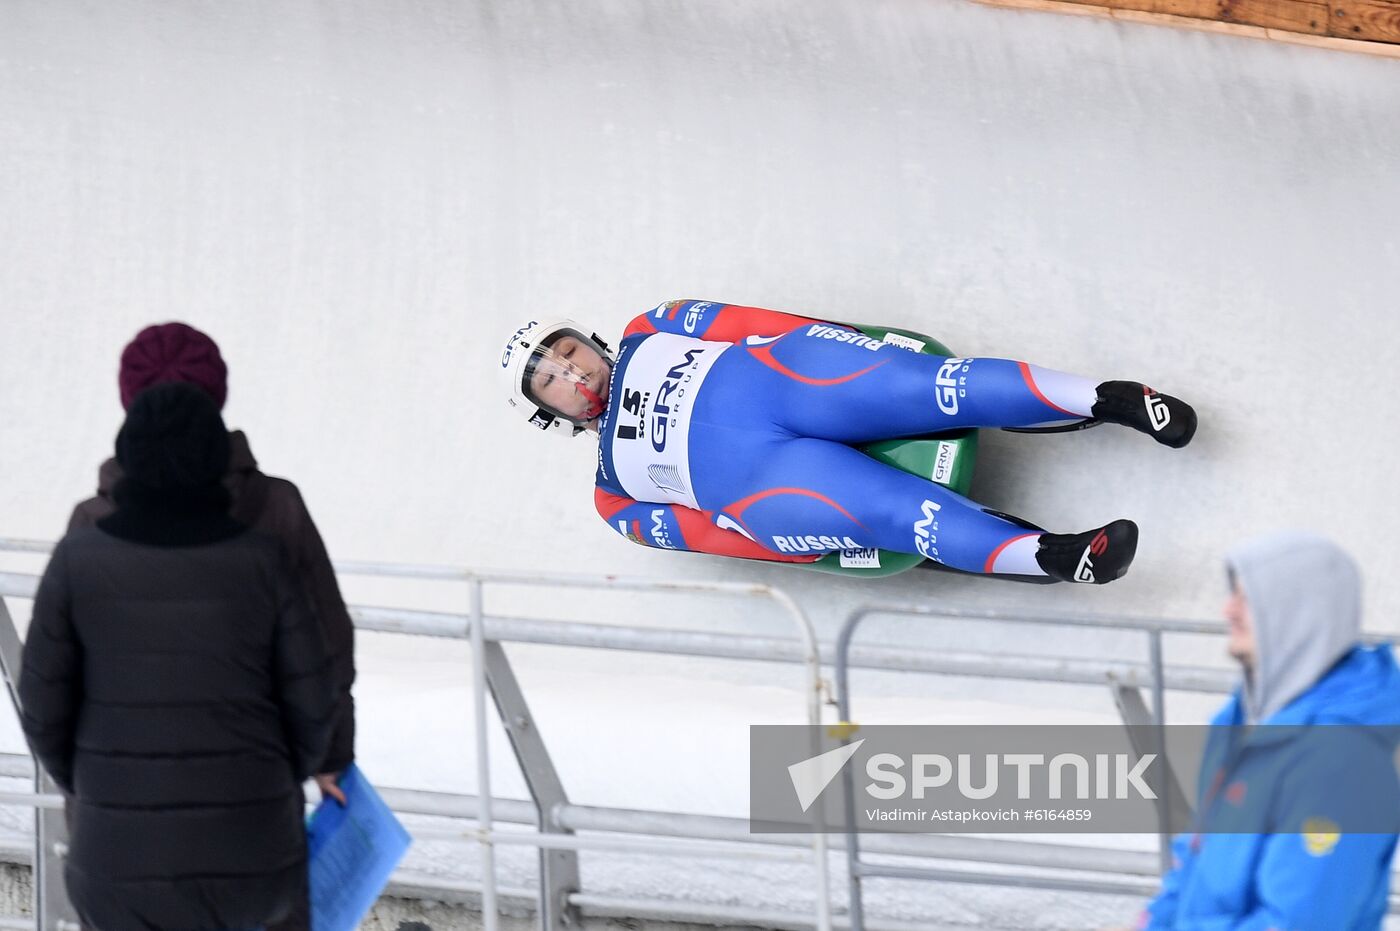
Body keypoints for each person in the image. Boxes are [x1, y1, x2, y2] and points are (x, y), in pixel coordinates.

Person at [501, 300, 1198, 583]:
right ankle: (1057, 556)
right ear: (549, 413)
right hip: (765, 480)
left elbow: (762, 322)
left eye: (565, 352)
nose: (570, 372)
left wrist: (864, 342)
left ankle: (1109, 398)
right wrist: (820, 551)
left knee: (929, 387)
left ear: (587, 338)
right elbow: (715, 538)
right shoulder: (612, 496)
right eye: (551, 382)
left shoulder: (653, 324)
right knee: (890, 512)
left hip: (785, 379)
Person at [67, 322, 356, 931]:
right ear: (217, 398)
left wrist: (87, 776)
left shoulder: (91, 525)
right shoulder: (276, 508)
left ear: (129, 405)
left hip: (117, 833)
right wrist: (323, 757)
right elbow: (326, 649)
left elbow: (50, 686)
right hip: (254, 820)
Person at [1126, 532, 1400, 930]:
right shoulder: (1238, 722)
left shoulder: (1341, 760)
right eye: (1231, 593)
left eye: (1248, 597)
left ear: (1302, 614)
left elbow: (1300, 924)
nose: (1228, 610)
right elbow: (1195, 863)